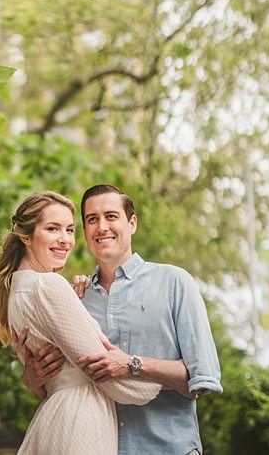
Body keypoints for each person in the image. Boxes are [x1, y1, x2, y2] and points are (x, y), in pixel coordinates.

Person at [18, 184, 221, 455]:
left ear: (132, 223)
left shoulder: (174, 282)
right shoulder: (74, 298)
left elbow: (201, 379)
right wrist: (33, 380)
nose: (101, 227)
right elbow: (65, 386)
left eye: (111, 216)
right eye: (92, 219)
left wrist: (132, 365)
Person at [0, 190, 159, 455]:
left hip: (56, 414)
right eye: (53, 228)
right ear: (26, 236)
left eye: (69, 229)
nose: (65, 240)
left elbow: (47, 378)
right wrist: (161, 380)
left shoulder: (16, 294)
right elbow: (107, 374)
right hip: (81, 420)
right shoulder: (48, 285)